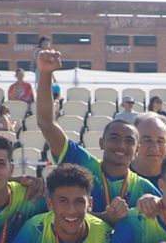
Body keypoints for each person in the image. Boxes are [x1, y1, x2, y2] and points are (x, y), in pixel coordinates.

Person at [34, 49, 156, 220]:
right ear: (101, 143)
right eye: (114, 138)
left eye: (129, 141)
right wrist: (46, 73)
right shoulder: (83, 163)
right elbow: (46, 123)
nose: (121, 145)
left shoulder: (145, 189)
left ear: (137, 150)